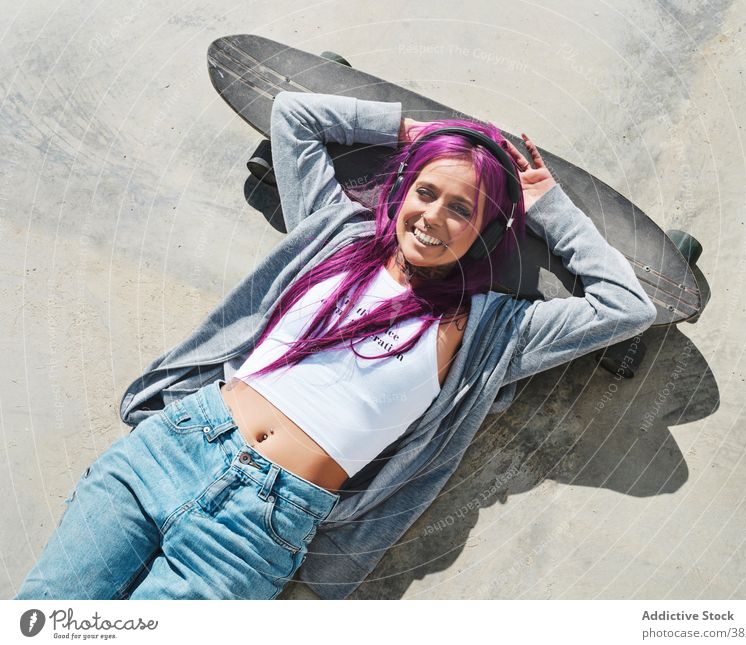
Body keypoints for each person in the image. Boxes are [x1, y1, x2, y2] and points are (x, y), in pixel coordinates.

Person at [16, 91, 657, 600]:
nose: (433, 217)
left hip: (257, 529)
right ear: (402, 191)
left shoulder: (491, 331)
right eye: (425, 192)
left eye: (461, 209)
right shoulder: (336, 236)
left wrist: (548, 207)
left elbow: (628, 308)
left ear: (486, 231)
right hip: (175, 447)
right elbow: (294, 118)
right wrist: (414, 134)